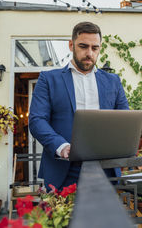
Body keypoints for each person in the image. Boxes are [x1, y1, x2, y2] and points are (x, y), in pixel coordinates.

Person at [29, 21, 129, 190]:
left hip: (106, 169)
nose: (89, 53)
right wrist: (61, 146)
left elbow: (124, 120)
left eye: (94, 48)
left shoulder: (113, 82)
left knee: (103, 217)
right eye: (83, 46)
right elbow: (37, 120)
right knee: (66, 218)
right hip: (64, 169)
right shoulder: (48, 79)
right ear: (71, 45)